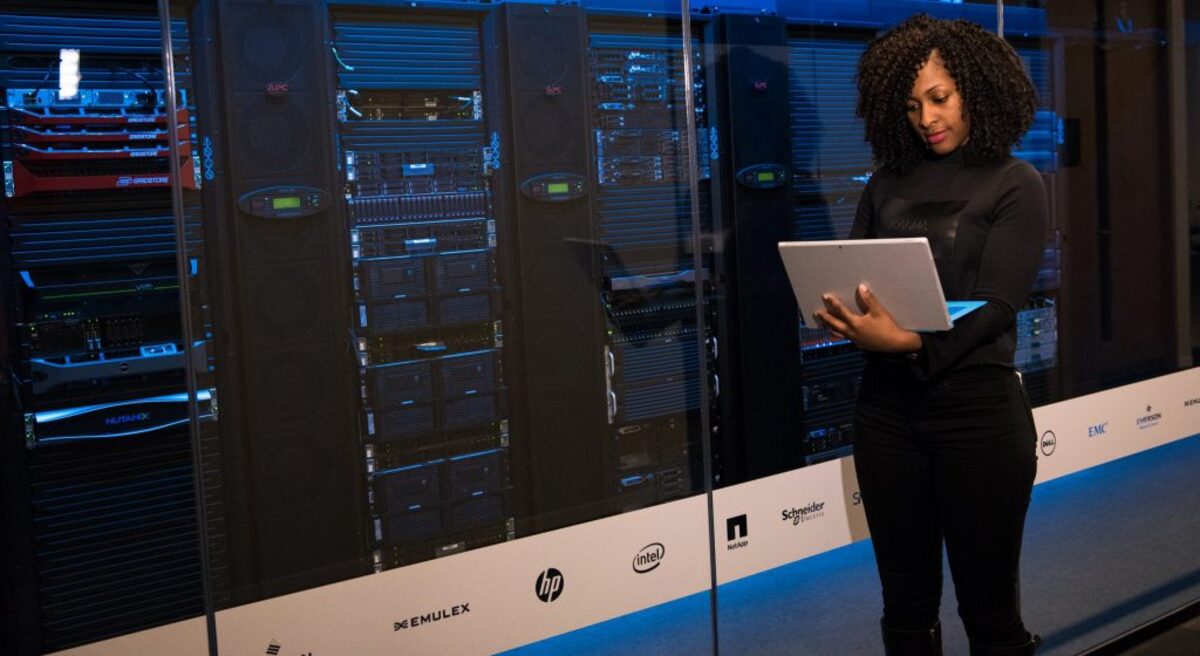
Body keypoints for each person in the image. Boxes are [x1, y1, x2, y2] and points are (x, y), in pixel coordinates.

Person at [812, 14, 1048, 656]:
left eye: (939, 99)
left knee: (989, 610)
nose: (926, 118)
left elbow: (999, 304)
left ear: (977, 89)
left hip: (978, 416)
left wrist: (911, 342)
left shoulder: (1016, 183)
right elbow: (853, 273)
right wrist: (837, 310)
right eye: (912, 105)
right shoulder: (887, 181)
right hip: (887, 417)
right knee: (906, 607)